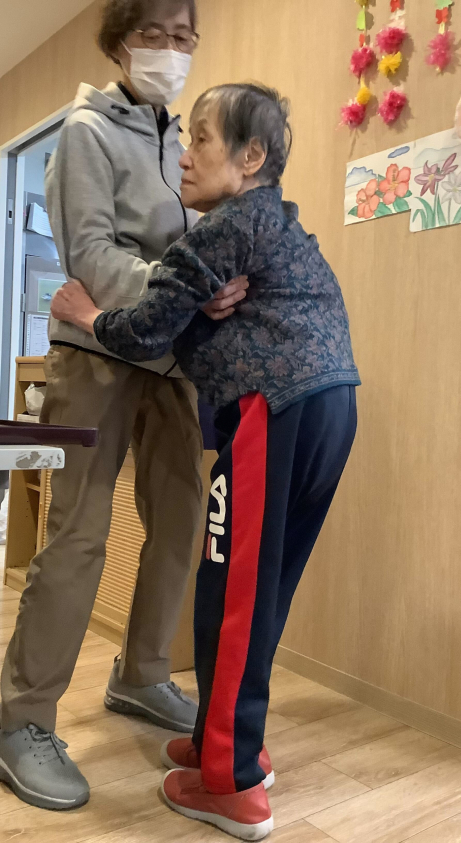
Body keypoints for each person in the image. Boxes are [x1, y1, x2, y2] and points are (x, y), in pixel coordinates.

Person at [51, 83, 360, 841]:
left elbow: (146, 325)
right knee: (260, 590)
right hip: (329, 408)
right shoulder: (280, 223)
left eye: (201, 140)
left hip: (270, 413)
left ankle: (230, 781)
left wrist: (86, 313)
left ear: (250, 158)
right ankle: (227, 740)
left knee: (231, 596)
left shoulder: (224, 228)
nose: (185, 157)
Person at [0, 0, 247, 813]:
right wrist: (188, 287)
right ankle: (20, 717)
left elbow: (193, 246)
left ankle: (141, 674)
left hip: (170, 362)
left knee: (180, 524)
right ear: (119, 42)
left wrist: (211, 285)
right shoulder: (86, 132)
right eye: (155, 35)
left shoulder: (183, 142)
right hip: (95, 353)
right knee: (77, 534)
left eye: (185, 38)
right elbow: (92, 255)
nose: (172, 51)